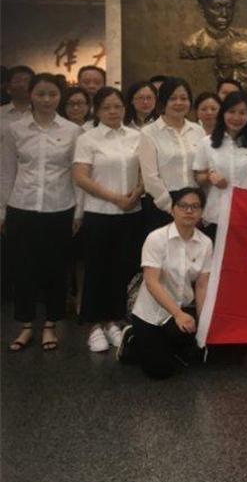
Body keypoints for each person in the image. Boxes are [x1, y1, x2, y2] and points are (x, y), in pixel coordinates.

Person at [2, 73, 82, 351]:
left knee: (55, 269)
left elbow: (76, 175)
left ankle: (50, 324)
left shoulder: (72, 131)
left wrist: (78, 212)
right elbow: (6, 171)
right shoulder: (15, 129)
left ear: (60, 97)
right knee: (23, 269)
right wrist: (2, 211)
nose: (46, 99)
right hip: (21, 207)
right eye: (40, 94)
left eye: (52, 94)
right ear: (31, 95)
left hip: (59, 207)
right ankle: (25, 325)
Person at [72, 87, 144, 353]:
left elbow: (145, 171)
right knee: (96, 270)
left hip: (131, 213)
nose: (113, 111)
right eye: (106, 107)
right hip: (100, 213)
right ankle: (93, 325)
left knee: (122, 269)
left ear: (125, 108)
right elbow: (81, 177)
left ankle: (114, 320)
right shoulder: (88, 138)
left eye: (117, 106)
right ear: (97, 110)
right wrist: (116, 198)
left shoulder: (137, 136)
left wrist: (136, 193)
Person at [123, 187, 212, 380]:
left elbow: (202, 285)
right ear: (172, 210)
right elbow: (151, 282)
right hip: (152, 313)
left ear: (201, 212)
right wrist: (177, 314)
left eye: (195, 207)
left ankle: (169, 346)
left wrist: (203, 323)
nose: (189, 211)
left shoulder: (205, 243)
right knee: (160, 372)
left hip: (183, 307)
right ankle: (132, 338)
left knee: (197, 355)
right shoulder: (156, 238)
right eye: (183, 206)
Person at [193, 92, 247, 240]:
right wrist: (209, 177)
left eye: (242, 113)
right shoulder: (207, 142)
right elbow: (198, 177)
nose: (236, 117)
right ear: (223, 113)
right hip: (216, 213)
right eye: (231, 111)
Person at [137, 77, 206, 231]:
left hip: (194, 204)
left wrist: (197, 206)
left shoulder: (198, 130)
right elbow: (150, 178)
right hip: (162, 205)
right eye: (172, 98)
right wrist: (172, 208)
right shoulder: (149, 132)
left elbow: (202, 169)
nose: (179, 103)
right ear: (163, 102)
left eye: (184, 98)